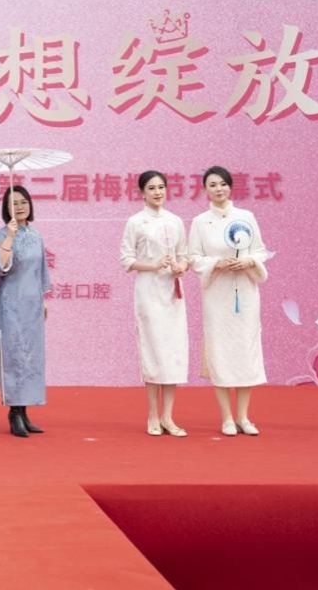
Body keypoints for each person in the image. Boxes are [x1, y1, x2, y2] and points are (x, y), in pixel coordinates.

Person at [188, 166, 269, 437]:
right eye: (212, 185)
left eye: (222, 184)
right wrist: (216, 263)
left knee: (245, 351)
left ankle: (244, 416)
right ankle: (226, 417)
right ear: (205, 189)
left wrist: (249, 261)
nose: (218, 189)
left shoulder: (246, 217)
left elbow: (260, 250)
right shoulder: (200, 222)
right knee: (220, 351)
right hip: (217, 295)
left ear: (230, 187)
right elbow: (194, 257)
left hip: (245, 292)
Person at [119, 170, 190, 437]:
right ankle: (152, 414)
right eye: (151, 188)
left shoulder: (176, 221)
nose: (157, 192)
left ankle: (168, 417)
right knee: (153, 351)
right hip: (149, 291)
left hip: (172, 292)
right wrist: (154, 265)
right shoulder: (135, 222)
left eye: (161, 187)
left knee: (173, 352)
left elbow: (185, 256)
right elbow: (126, 259)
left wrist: (180, 267)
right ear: (142, 193)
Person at [0, 184, 51, 438]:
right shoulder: (1, 234)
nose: (20, 207)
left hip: (33, 304)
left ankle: (25, 410)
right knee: (14, 355)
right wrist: (9, 237)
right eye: (14, 203)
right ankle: (14, 412)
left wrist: (43, 299)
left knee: (32, 356)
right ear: (6, 208)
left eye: (23, 202)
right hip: (11, 303)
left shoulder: (36, 235)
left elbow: (41, 271)